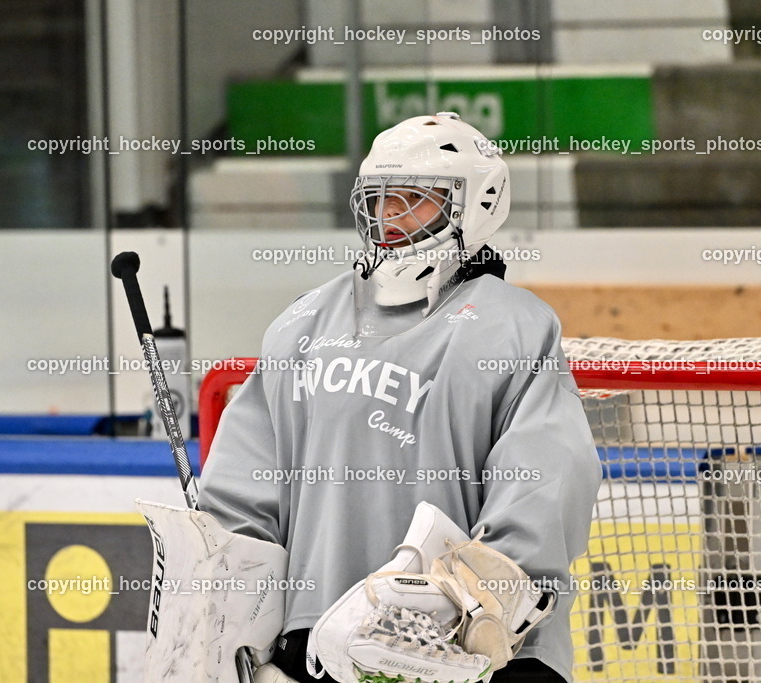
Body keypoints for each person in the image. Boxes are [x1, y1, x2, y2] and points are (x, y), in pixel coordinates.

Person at [198, 112, 601, 683]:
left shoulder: (514, 327)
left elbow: (545, 485)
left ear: (478, 203)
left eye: (413, 198)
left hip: (465, 650)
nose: (389, 218)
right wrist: (235, 632)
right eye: (379, 199)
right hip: (315, 643)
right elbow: (242, 496)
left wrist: (469, 608)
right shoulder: (305, 321)